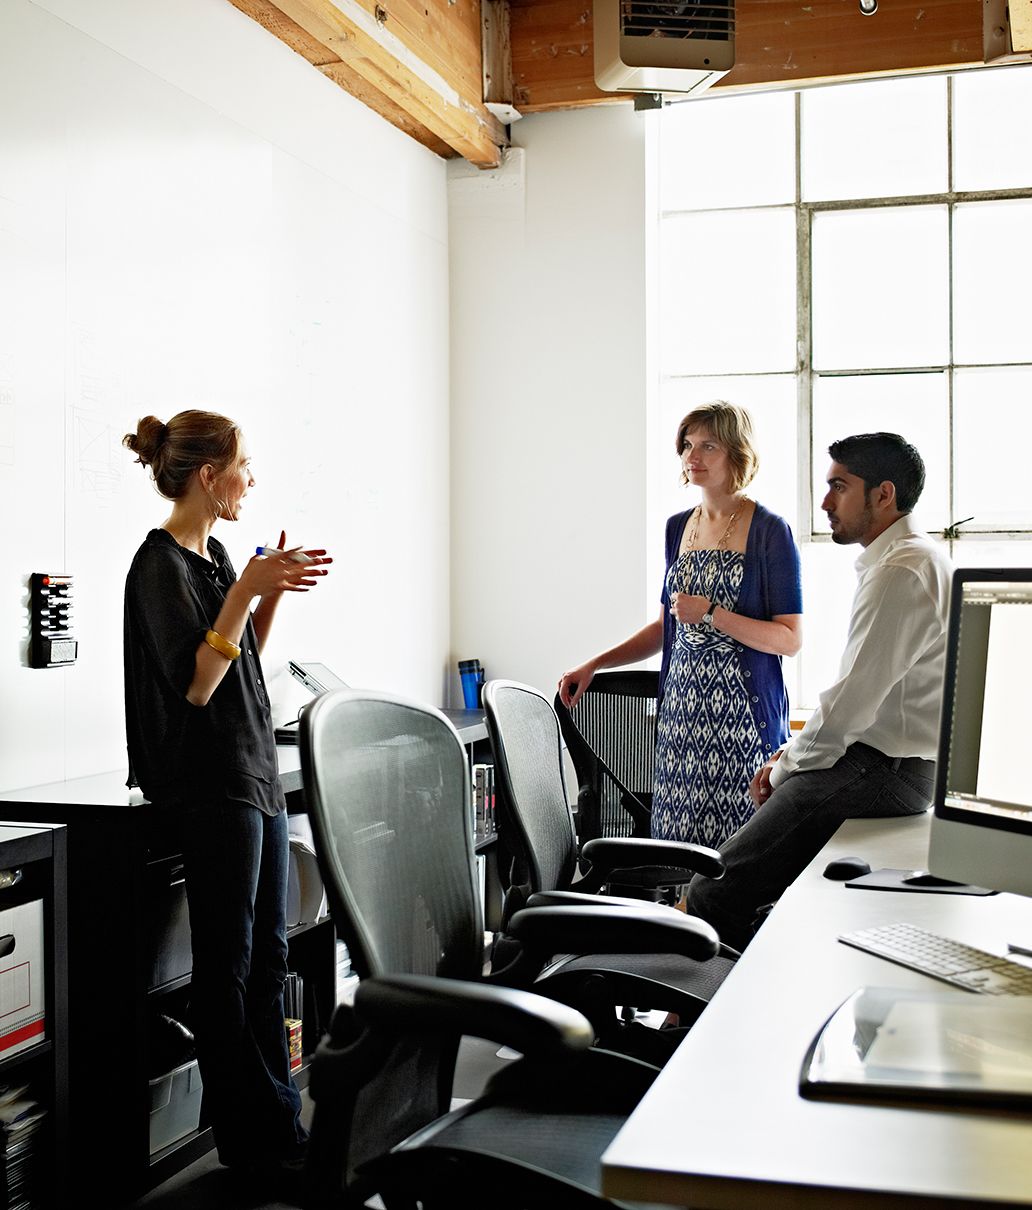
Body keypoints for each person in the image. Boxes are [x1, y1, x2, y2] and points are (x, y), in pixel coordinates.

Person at [122, 410, 331, 1187]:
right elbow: (197, 685)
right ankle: (263, 1137)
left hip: (252, 775)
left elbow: (242, 659)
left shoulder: (209, 556)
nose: (251, 480)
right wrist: (245, 587)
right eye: (244, 466)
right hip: (210, 784)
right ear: (209, 477)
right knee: (230, 967)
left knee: (269, 958)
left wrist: (263, 590)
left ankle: (274, 1124)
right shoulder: (159, 567)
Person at [687, 432, 952, 951]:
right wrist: (792, 756)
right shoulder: (916, 559)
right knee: (756, 885)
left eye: (838, 487)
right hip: (895, 767)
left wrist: (784, 767)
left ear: (883, 494)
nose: (826, 503)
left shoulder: (900, 571)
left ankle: (693, 1024)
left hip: (882, 770)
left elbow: (852, 701)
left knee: (714, 889)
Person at [558, 402, 802, 849]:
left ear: (736, 452)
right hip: (681, 721)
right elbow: (665, 628)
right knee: (679, 851)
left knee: (741, 858)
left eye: (708, 445)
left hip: (743, 723)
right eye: (688, 445)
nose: (694, 456)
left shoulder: (770, 530)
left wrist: (713, 614)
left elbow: (788, 639)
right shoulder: (677, 529)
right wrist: (597, 663)